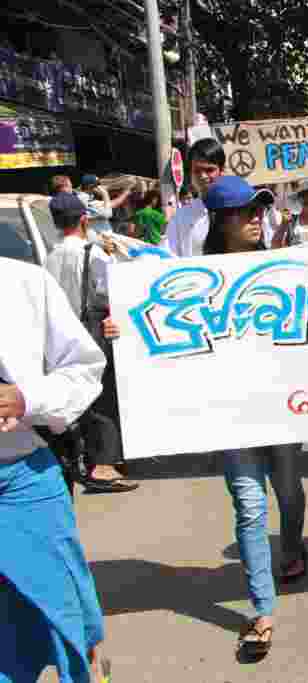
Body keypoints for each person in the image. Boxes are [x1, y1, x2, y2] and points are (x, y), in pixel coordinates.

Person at [195, 176, 308, 658]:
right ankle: (261, 610)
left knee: (289, 492)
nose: (257, 218)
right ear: (221, 222)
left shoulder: (281, 266)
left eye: (259, 209)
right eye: (245, 212)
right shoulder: (193, 282)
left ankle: (293, 545)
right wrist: (124, 325)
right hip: (232, 413)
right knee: (251, 506)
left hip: (280, 407)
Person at [1, 256, 109, 682]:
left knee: (70, 624)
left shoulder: (23, 281)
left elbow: (85, 370)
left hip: (24, 478)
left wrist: (27, 398)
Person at [45, 193, 139, 494]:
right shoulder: (92, 252)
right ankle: (103, 466)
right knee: (104, 396)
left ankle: (88, 457)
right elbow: (109, 291)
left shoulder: (51, 254)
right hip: (93, 329)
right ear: (84, 220)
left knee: (82, 395)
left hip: (63, 333)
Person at [160, 138, 226, 258]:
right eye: (197, 171)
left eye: (209, 170)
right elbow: (166, 256)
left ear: (222, 171)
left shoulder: (238, 210)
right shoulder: (181, 217)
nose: (203, 176)